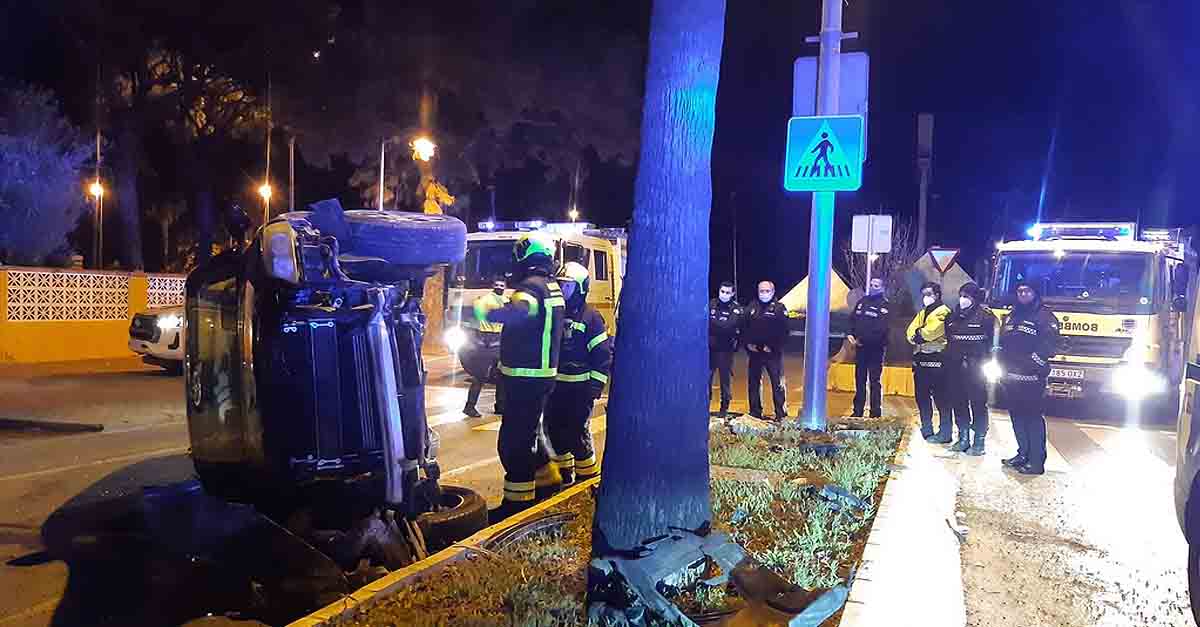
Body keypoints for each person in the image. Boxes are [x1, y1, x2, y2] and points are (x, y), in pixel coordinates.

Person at [477, 233, 566, 517]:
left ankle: (518, 505)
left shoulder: (530, 287)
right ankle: (548, 480)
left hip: (525, 378)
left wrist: (488, 310)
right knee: (528, 434)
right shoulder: (550, 286)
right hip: (539, 376)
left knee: (513, 444)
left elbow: (519, 312)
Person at [545, 262, 612, 486]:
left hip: (580, 390)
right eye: (561, 285)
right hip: (556, 388)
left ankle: (587, 479)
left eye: (569, 286)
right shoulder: (556, 313)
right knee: (554, 430)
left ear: (581, 288)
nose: (564, 290)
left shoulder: (591, 318)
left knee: (577, 433)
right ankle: (565, 476)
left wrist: (595, 386)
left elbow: (602, 355)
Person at [997, 280, 1060, 475]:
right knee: (1017, 416)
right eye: (1020, 291)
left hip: (1031, 379)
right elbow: (1003, 342)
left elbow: (1049, 347)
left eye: (1027, 291)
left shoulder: (1044, 317)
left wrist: (1031, 363)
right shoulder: (1012, 316)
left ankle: (1036, 461)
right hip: (1011, 377)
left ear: (1036, 293)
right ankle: (1022, 453)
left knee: (1032, 418)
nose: (1023, 294)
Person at [945, 282, 997, 455]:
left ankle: (979, 441)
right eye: (961, 295)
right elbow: (949, 339)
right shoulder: (952, 316)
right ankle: (963, 437)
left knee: (978, 403)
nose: (962, 299)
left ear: (974, 298)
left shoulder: (986, 316)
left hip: (977, 368)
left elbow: (993, 343)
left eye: (966, 296)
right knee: (958, 402)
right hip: (956, 367)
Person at [906, 282, 952, 441]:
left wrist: (920, 336)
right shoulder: (922, 312)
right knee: (922, 397)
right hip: (921, 362)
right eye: (923, 294)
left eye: (929, 294)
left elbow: (930, 332)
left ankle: (945, 432)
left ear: (937, 295)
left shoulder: (943, 312)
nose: (925, 297)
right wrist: (917, 336)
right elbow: (910, 332)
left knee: (941, 398)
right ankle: (927, 428)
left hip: (937, 361)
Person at [463, 276, 508, 418]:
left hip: (498, 339)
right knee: (480, 376)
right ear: (493, 286)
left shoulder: (504, 300)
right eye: (497, 285)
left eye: (502, 285)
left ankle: (500, 406)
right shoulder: (487, 300)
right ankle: (470, 407)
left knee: (501, 376)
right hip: (488, 340)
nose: (500, 287)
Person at [744, 280, 789, 420]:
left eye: (766, 291)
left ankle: (780, 414)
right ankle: (755, 412)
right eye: (761, 291)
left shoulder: (779, 308)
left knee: (777, 384)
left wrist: (773, 347)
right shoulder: (752, 307)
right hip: (755, 353)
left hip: (772, 354)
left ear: (773, 291)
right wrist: (748, 345)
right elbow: (744, 327)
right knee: (754, 384)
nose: (764, 294)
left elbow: (784, 331)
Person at [849, 277, 891, 418]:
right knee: (859, 381)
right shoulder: (862, 302)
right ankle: (857, 411)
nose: (873, 287)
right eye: (872, 285)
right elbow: (852, 320)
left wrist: (862, 340)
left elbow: (881, 329)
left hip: (875, 350)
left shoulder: (885, 305)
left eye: (876, 285)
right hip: (860, 349)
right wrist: (850, 334)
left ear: (882, 288)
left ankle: (875, 413)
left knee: (874, 381)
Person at [709, 281, 744, 418]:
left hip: (726, 350)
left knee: (725, 381)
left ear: (733, 294)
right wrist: (718, 325)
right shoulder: (711, 304)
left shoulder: (736, 309)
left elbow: (728, 327)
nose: (724, 294)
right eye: (722, 291)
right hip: (710, 350)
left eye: (727, 292)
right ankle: (705, 406)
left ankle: (724, 409)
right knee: (707, 379)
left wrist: (712, 323)